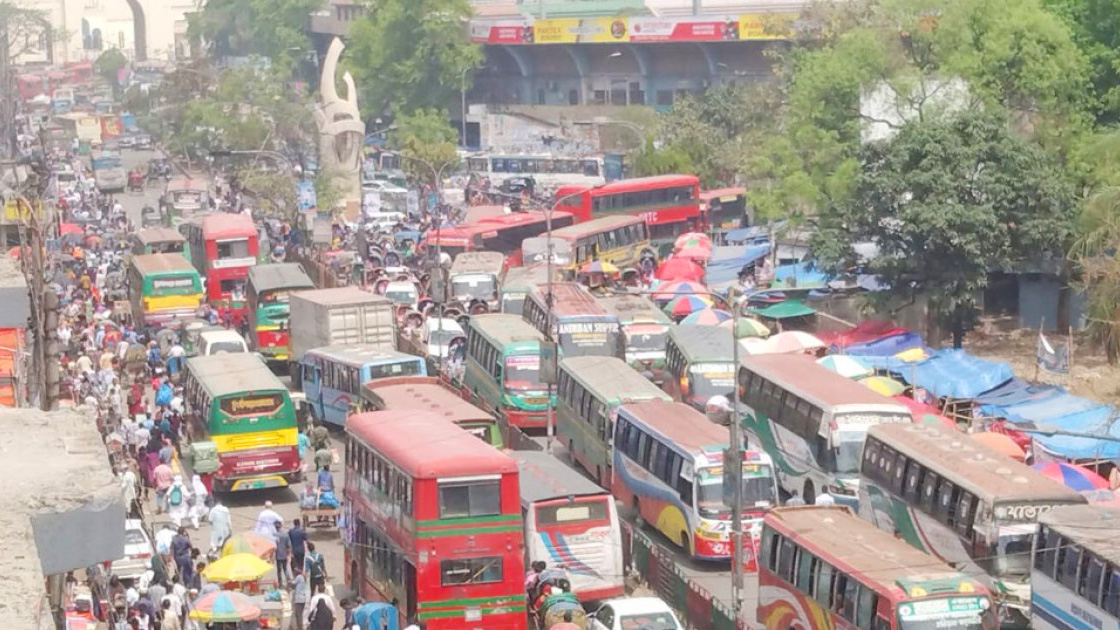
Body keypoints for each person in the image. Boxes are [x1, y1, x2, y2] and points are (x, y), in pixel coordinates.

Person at [274, 520, 292, 587]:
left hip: (277, 555)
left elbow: (273, 546)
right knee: (285, 569)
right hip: (284, 555)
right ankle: (288, 581)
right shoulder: (285, 534)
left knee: (279, 570)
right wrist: (289, 554)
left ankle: (280, 583)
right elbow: (289, 546)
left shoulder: (274, 535)